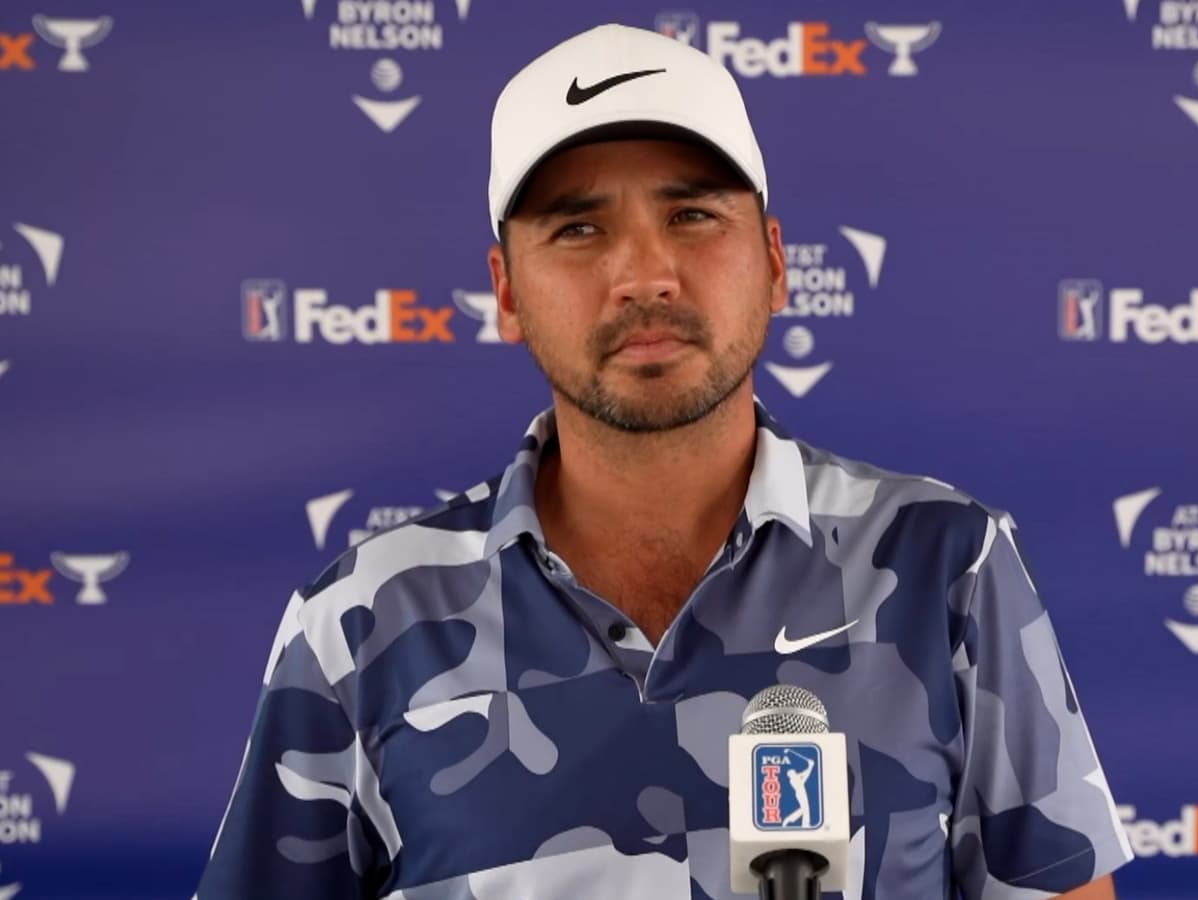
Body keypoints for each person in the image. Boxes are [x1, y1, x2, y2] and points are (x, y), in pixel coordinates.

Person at [195, 23, 1132, 900]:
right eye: (578, 228)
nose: (644, 275)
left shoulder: (948, 566)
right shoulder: (362, 620)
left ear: (773, 260)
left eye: (691, 215)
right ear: (505, 291)